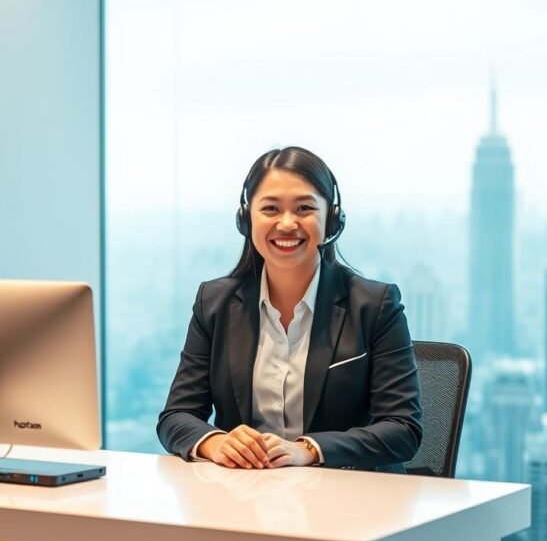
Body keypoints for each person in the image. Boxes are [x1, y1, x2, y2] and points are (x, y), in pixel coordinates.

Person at [157, 146, 422, 472]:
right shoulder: (215, 304)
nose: (286, 223)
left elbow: (402, 429)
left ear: (331, 219)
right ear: (246, 218)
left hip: (347, 499)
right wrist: (217, 443)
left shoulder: (374, 306)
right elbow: (176, 416)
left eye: (304, 208)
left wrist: (308, 449)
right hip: (244, 496)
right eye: (270, 208)